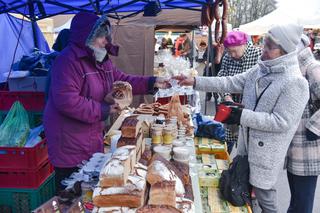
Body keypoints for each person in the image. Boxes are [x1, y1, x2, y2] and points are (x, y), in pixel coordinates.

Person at [174, 24, 309, 213]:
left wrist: (241, 115)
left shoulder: (295, 82)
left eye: (270, 47)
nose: (264, 49)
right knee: (245, 188)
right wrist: (196, 81)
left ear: (284, 51)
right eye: (265, 43)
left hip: (266, 153)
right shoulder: (261, 70)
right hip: (247, 145)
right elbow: (230, 81)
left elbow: (281, 122)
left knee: (265, 196)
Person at [44, 12, 169, 193]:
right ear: (87, 37)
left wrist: (151, 82)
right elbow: (67, 100)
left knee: (88, 192)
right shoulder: (67, 61)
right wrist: (104, 109)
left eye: (106, 36)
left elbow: (122, 80)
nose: (106, 41)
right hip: (69, 142)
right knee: (71, 194)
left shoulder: (101, 61)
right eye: (102, 37)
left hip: (90, 136)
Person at [285, 34, 320, 213]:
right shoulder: (294, 68)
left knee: (303, 204)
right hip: (294, 146)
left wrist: (313, 128)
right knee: (296, 201)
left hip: (308, 147)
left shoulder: (313, 68)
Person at [217, 31, 262, 153]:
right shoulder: (227, 57)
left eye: (234, 51)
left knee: (246, 143)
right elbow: (222, 77)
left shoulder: (258, 55)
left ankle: (241, 167)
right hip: (232, 106)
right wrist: (226, 96)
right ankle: (226, 165)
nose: (232, 54)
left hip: (251, 108)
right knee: (228, 139)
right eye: (229, 51)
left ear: (244, 45)